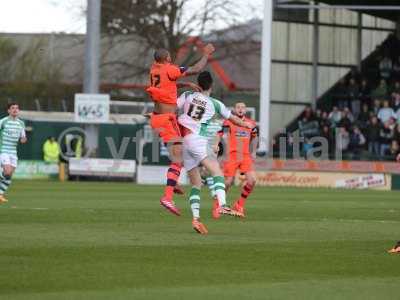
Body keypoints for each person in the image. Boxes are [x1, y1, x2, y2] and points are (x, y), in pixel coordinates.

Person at [177, 71, 254, 234]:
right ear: (211, 85)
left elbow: (172, 106)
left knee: (196, 183)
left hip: (183, 141)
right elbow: (232, 118)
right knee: (217, 172)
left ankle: (196, 219)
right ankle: (223, 205)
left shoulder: (188, 95)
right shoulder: (214, 103)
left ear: (197, 84)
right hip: (197, 139)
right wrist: (245, 125)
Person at [146, 44, 215, 216]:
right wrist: (205, 54)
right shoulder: (170, 69)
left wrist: (185, 84)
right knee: (178, 158)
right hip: (167, 120)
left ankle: (173, 181)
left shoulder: (155, 70)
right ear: (167, 58)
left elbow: (168, 85)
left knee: (181, 155)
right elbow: (197, 68)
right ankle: (167, 196)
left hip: (158, 117)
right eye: (170, 56)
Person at [219, 102, 258, 217]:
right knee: (228, 182)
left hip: (245, 156)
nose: (240, 109)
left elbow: (255, 137)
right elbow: (224, 136)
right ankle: (219, 205)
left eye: (242, 107)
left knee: (252, 180)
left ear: (245, 110)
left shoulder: (251, 123)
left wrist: (254, 152)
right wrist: (225, 150)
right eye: (238, 107)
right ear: (235, 110)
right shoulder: (228, 121)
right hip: (232, 155)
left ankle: (239, 204)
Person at [0, 103, 27, 203]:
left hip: (13, 152)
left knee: (9, 175)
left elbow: (23, 137)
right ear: (8, 111)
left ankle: (0, 194)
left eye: (17, 108)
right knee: (6, 171)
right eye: (13, 108)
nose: (15, 110)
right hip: (3, 150)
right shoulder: (3, 121)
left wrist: (23, 139)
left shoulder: (21, 123)